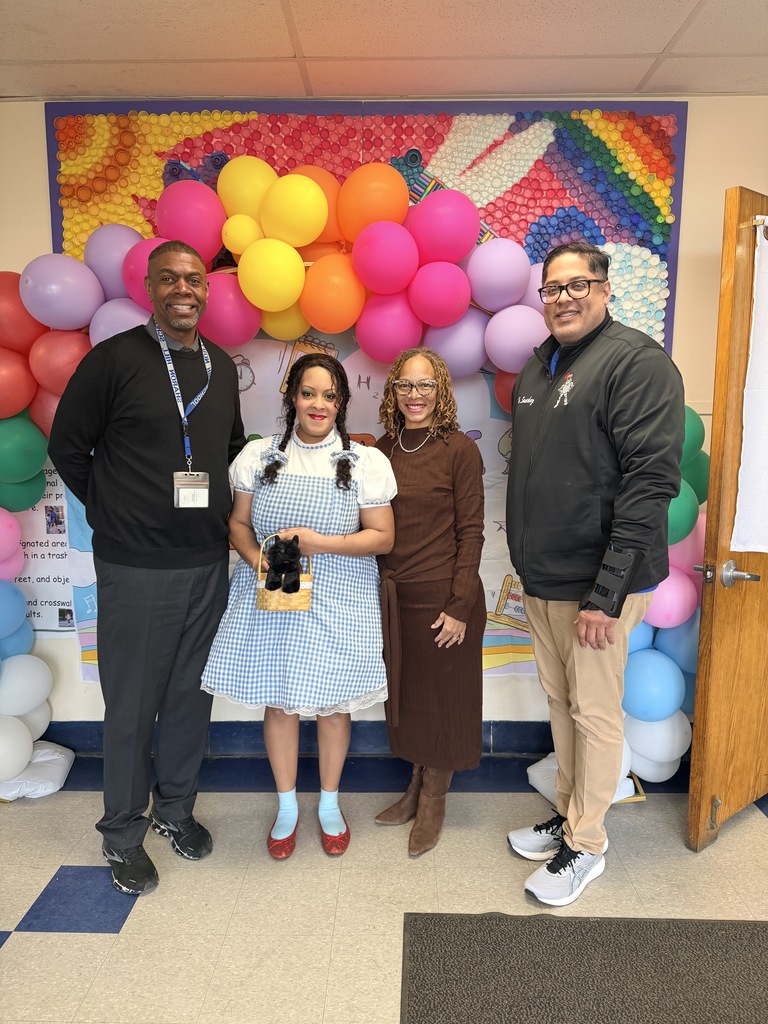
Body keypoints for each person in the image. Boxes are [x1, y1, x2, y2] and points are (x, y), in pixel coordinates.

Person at [48, 240, 246, 895]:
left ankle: (176, 811)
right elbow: (68, 448)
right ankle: (122, 834)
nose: (183, 289)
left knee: (191, 698)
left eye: (193, 279)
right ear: (150, 288)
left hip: (206, 562)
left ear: (206, 289)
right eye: (169, 279)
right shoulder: (113, 361)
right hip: (135, 567)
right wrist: (116, 511)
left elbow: (229, 451)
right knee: (132, 708)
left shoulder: (220, 366)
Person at [505, 241, 684, 906]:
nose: (564, 298)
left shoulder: (636, 363)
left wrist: (606, 596)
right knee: (563, 706)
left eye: (578, 285)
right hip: (545, 581)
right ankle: (568, 815)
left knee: (596, 715)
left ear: (605, 290)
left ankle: (587, 845)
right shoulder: (539, 367)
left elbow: (650, 484)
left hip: (598, 588)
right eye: (553, 288)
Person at [201, 353, 396, 859]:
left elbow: (382, 537)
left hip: (342, 595)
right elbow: (237, 524)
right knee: (280, 700)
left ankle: (329, 804)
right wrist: (259, 562)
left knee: (334, 705)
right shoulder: (259, 455)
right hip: (278, 588)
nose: (318, 404)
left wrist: (319, 543)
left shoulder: (365, 462)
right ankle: (286, 806)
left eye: (330, 395)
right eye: (309, 393)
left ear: (342, 402)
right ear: (292, 396)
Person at [375, 348, 485, 856]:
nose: (414, 395)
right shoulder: (382, 451)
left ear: (440, 390)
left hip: (445, 598)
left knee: (444, 704)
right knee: (412, 702)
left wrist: (460, 604)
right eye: (405, 385)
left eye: (425, 385)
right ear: (392, 391)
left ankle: (435, 800)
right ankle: (415, 788)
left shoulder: (459, 449)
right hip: (398, 598)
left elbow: (472, 531)